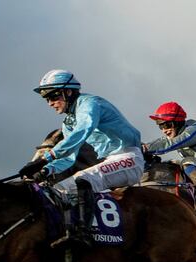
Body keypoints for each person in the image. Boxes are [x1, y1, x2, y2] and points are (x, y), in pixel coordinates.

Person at [19, 69, 144, 247]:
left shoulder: (89, 103)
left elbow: (83, 131)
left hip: (129, 157)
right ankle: (70, 230)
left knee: (82, 179)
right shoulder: (68, 122)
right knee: (62, 188)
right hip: (110, 161)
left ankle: (82, 233)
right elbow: (69, 158)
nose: (50, 103)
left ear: (68, 92)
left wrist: (46, 158)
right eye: (46, 99)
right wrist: (46, 170)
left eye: (53, 96)